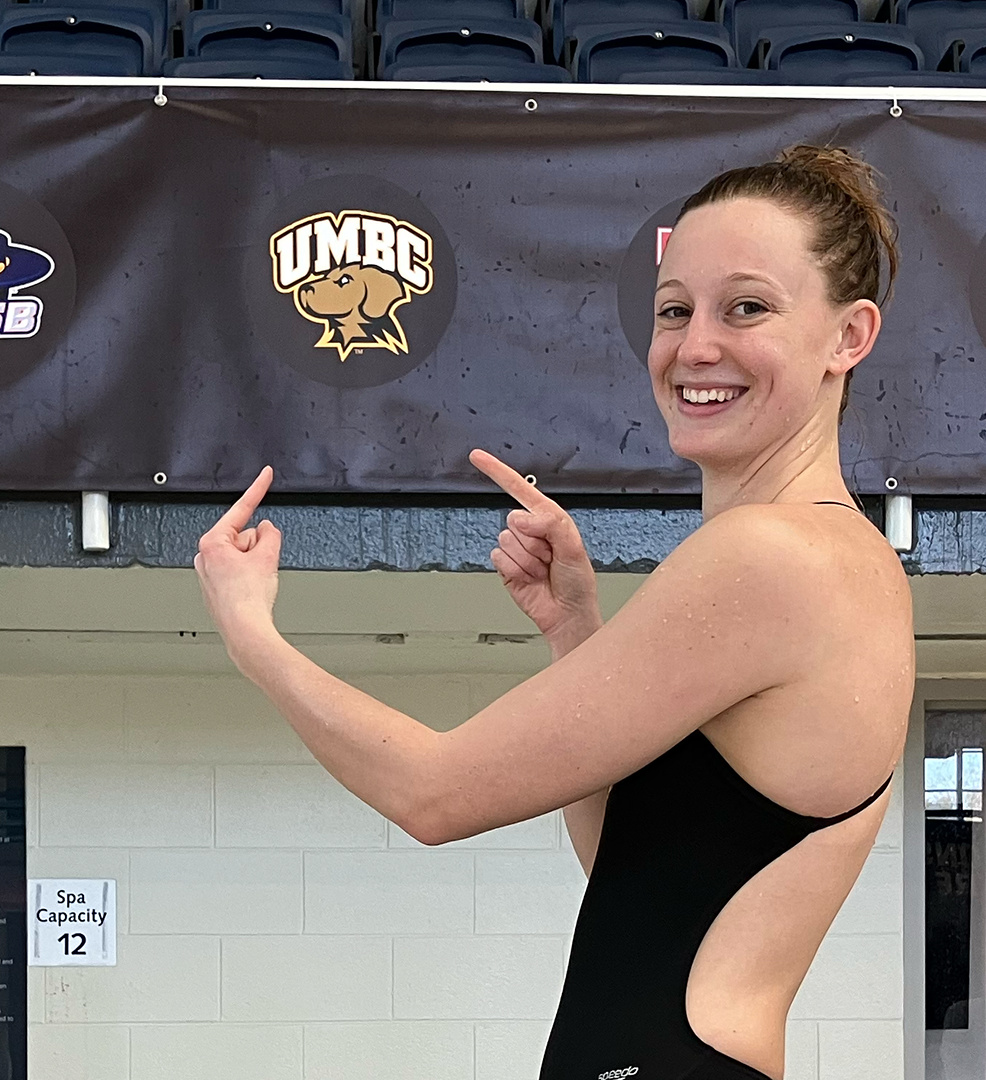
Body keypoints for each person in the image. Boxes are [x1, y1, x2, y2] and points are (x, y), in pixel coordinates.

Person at [194, 144, 914, 1080]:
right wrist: (574, 629)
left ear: (849, 336)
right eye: (673, 310)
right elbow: (631, 875)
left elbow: (434, 794)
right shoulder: (839, 561)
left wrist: (252, 634)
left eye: (748, 307)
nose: (695, 346)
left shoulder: (774, 558)